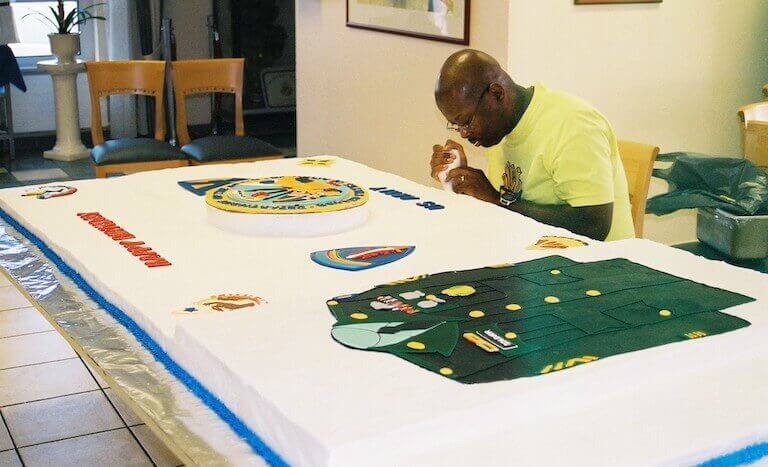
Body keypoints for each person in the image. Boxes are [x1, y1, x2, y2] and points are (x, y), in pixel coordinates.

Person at [430, 49, 634, 241]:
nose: (464, 133)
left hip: (598, 267)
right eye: (456, 126)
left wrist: (495, 200)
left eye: (466, 122)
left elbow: (594, 225)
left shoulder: (573, 124)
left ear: (497, 93)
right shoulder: (498, 129)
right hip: (535, 255)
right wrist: (461, 182)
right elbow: (512, 204)